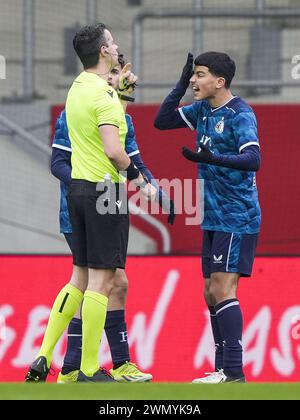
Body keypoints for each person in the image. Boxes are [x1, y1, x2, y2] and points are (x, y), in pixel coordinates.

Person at [25, 23, 156, 383]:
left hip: (79, 192)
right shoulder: (104, 96)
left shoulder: (77, 89)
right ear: (103, 52)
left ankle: (45, 358)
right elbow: (115, 150)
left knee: (79, 277)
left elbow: (99, 127)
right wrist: (138, 180)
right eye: (111, 43)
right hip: (106, 192)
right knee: (104, 280)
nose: (116, 47)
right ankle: (87, 368)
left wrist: (121, 94)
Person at [49, 54, 175, 383]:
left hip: (105, 200)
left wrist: (158, 192)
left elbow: (133, 161)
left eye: (120, 73)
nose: (115, 77)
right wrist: (85, 182)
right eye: (112, 71)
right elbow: (58, 162)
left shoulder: (119, 115)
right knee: (96, 282)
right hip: (84, 204)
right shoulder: (74, 112)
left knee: (110, 282)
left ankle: (96, 366)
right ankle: (77, 367)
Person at [154, 51, 261, 383]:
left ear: (220, 81)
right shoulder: (202, 109)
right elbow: (162, 119)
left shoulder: (240, 114)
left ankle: (233, 370)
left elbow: (253, 159)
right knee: (209, 291)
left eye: (199, 75)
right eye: (193, 74)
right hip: (213, 215)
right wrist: (180, 80)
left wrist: (212, 157)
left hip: (236, 215)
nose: (193, 81)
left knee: (223, 288)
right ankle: (221, 368)